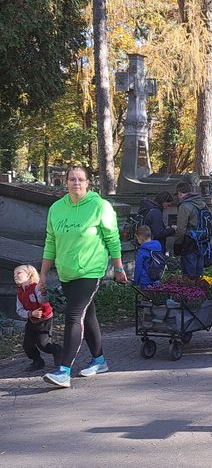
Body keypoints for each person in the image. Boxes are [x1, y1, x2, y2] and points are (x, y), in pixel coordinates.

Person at [40, 165, 127, 388]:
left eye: (80, 179)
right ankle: (99, 360)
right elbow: (51, 242)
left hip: (90, 270)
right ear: (66, 182)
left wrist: (118, 268)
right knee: (87, 316)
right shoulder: (57, 208)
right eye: (71, 179)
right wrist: (42, 275)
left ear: (88, 183)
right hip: (66, 272)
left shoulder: (100, 206)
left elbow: (112, 239)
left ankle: (63, 370)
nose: (76, 183)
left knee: (73, 315)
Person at [14, 265, 61, 371]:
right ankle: (37, 361)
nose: (15, 276)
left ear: (29, 274)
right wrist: (30, 314)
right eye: (14, 274)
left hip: (45, 318)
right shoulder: (20, 292)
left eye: (19, 273)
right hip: (32, 319)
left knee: (43, 344)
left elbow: (42, 300)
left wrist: (44, 293)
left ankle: (57, 350)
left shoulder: (36, 287)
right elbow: (19, 309)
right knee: (27, 345)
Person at [173, 181, 209, 278]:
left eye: (177, 195)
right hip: (202, 241)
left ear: (180, 193)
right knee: (199, 276)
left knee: (189, 277)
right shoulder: (202, 203)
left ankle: (190, 292)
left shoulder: (184, 206)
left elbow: (181, 229)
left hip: (189, 243)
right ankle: (200, 292)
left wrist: (177, 246)